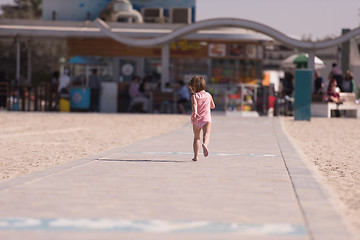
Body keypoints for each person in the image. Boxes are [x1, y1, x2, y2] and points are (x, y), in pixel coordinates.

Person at [188, 75, 215, 162]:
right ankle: (205, 145)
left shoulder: (194, 96)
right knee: (206, 134)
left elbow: (194, 105)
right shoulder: (208, 95)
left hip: (196, 119)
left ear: (194, 87)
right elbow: (213, 106)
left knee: (196, 138)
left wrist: (195, 112)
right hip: (206, 118)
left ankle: (195, 156)